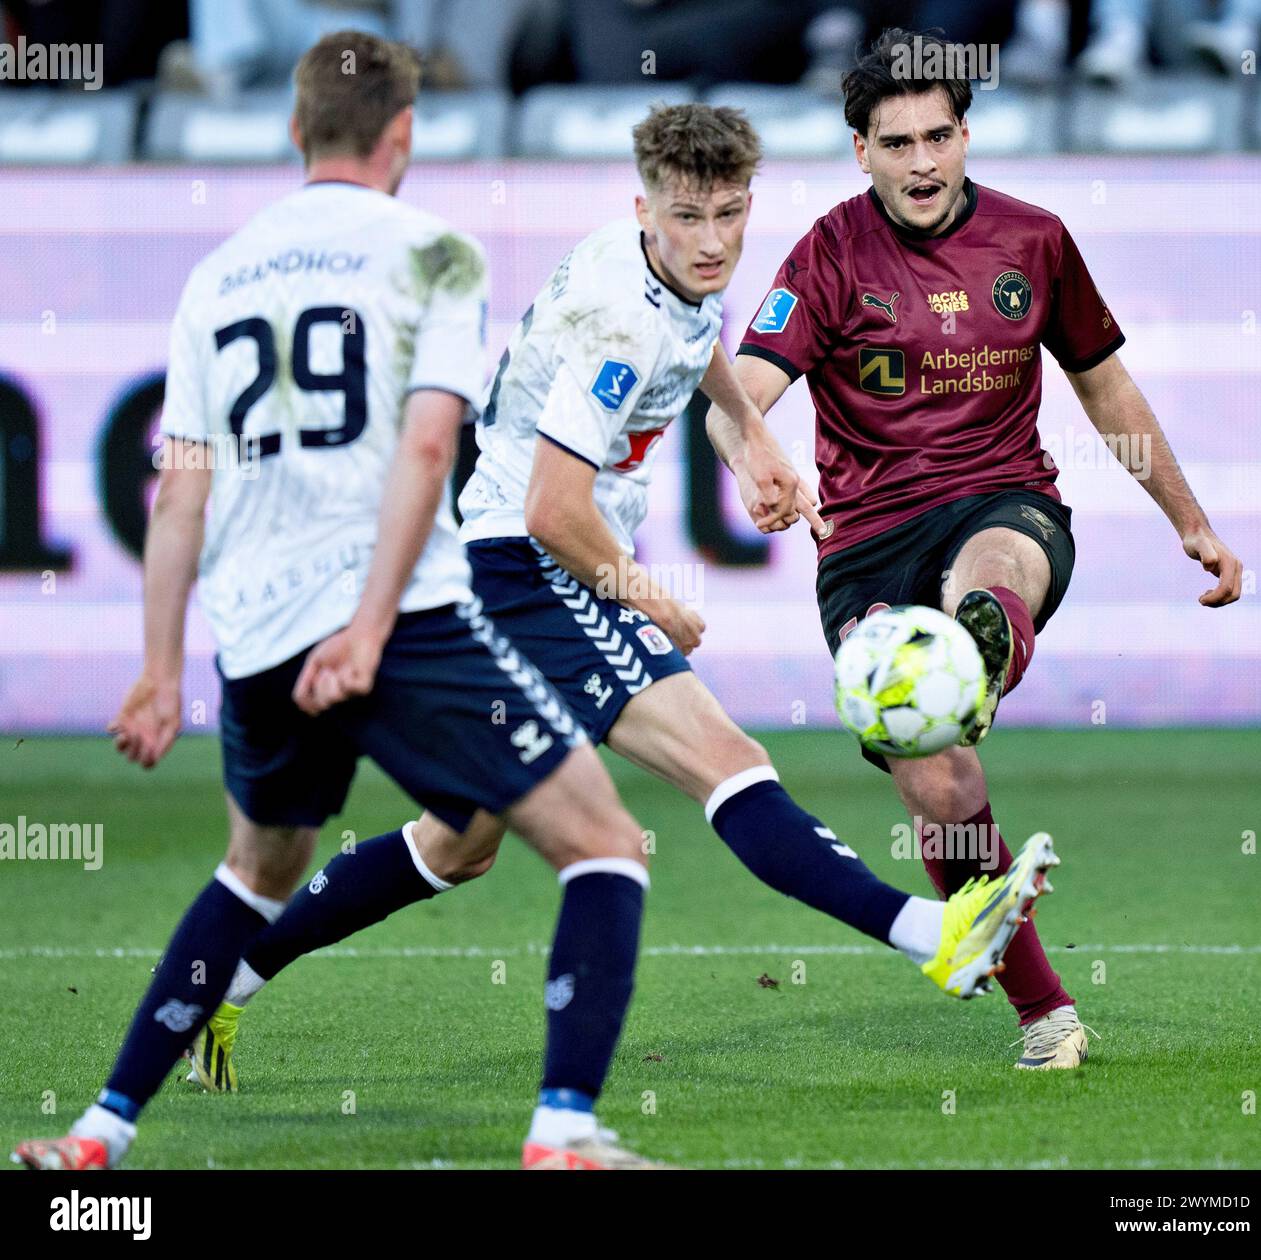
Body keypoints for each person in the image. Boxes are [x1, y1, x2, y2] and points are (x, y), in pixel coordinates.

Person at [174, 103, 1062, 1100]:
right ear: (645, 207)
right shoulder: (622, 320)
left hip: (502, 566)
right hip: (532, 566)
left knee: (458, 842)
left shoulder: (650, 266)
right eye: (690, 216)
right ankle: (930, 937)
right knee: (728, 762)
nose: (714, 239)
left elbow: (698, 339)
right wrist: (654, 601)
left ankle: (227, 978)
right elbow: (558, 508)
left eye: (730, 213)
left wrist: (750, 433)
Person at [13, 30, 665, 1172]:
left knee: (255, 872)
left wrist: (161, 671)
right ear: (404, 135)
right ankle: (563, 1127)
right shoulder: (433, 254)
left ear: (292, 129)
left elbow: (180, 491)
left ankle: (98, 1131)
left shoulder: (217, 277)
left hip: (257, 634)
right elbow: (426, 449)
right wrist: (370, 626)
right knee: (604, 844)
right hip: (397, 622)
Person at [717, 28, 1243, 1067]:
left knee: (989, 575)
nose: (920, 162)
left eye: (938, 136)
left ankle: (978, 650)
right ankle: (1044, 1011)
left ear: (966, 135)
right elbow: (742, 394)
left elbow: (1103, 385)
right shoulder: (826, 253)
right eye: (895, 141)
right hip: (865, 550)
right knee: (942, 795)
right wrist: (753, 461)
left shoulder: (1034, 241)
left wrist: (1189, 519)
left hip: (1004, 504)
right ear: (858, 150)